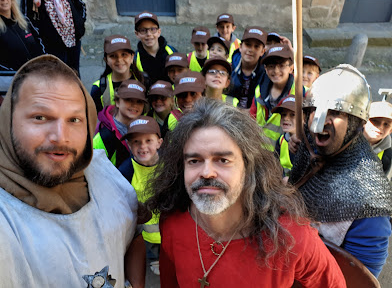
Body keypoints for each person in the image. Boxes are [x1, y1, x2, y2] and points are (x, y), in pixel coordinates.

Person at [146, 98, 346, 287]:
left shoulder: (291, 236)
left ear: (248, 167)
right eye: (194, 161)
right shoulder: (172, 222)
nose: (206, 172)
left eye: (223, 160)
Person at [0, 54, 145, 287]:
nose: (60, 137)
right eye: (40, 117)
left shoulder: (102, 172)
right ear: (8, 121)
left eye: (74, 120)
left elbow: (132, 234)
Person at [289, 64, 392, 278]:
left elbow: (359, 278)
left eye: (334, 112)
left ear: (355, 123)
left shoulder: (369, 195)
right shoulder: (308, 149)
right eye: (314, 111)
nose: (320, 122)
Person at [119, 116, 163, 276]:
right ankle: (154, 259)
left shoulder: (169, 165)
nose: (142, 146)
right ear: (129, 145)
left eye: (148, 140)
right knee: (151, 250)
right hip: (145, 232)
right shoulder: (125, 171)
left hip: (168, 227)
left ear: (159, 143)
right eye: (136, 142)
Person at [21, 0, 86, 75]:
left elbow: (80, 4)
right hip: (52, 45)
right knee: (58, 78)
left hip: (73, 39)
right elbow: (27, 17)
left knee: (74, 76)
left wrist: (80, 23)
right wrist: (40, 42)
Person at [250, 44, 302, 151]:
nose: (276, 70)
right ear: (265, 69)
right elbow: (252, 118)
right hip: (260, 152)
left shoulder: (301, 92)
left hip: (286, 154)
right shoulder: (259, 91)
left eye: (282, 65)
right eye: (271, 66)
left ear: (291, 68)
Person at [93, 79, 147, 168]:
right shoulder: (103, 137)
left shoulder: (146, 129)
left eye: (139, 101)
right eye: (129, 100)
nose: (134, 105)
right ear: (117, 102)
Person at [0, 0, 44, 71]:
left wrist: (44, 64)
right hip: (12, 79)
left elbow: (40, 44)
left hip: (37, 74)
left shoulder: (25, 21)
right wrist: (16, 75)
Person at [90, 34, 144, 113]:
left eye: (124, 55)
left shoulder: (144, 81)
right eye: (113, 56)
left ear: (132, 57)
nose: (119, 60)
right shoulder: (99, 88)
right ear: (106, 60)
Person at [227, 26, 267, 109]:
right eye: (248, 44)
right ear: (241, 47)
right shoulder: (229, 69)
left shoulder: (267, 74)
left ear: (262, 51)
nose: (251, 50)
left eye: (256, 46)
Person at [134, 11, 177, 85]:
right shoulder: (135, 59)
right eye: (143, 30)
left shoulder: (171, 51)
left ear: (159, 32)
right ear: (137, 34)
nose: (149, 34)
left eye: (153, 29)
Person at [162, 70, 205, 135]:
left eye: (193, 94)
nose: (188, 99)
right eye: (182, 95)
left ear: (203, 95)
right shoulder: (170, 119)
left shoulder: (215, 118)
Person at [363, 101, 392, 180]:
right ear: (363, 121)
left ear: (390, 130)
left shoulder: (388, 156)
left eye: (386, 124)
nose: (380, 127)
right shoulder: (346, 139)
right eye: (375, 121)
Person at [273, 97, 296, 177]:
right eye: (283, 114)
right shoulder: (281, 140)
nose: (286, 118)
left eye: (293, 115)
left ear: (304, 119)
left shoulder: (307, 144)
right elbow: (276, 165)